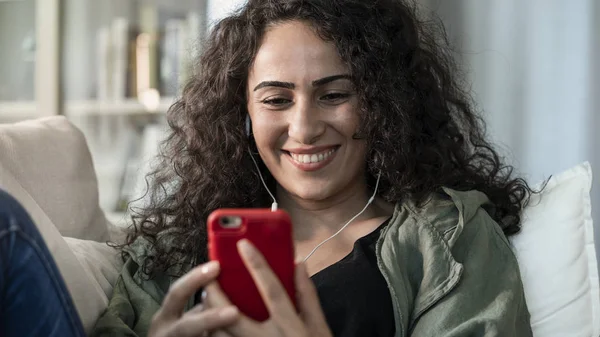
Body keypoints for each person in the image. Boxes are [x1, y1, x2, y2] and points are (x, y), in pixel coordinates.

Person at [0, 0, 537, 336]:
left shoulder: (447, 237)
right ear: (243, 115)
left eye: (334, 94)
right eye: (276, 100)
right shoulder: (180, 248)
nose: (303, 129)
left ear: (385, 102)